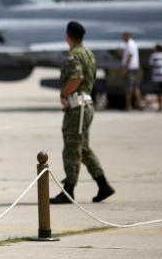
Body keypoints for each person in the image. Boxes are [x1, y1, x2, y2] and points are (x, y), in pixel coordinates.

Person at [50, 21, 115, 204]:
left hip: (77, 107)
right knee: (83, 148)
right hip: (85, 105)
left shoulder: (75, 55)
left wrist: (64, 93)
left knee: (72, 148)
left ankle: (69, 190)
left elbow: (76, 78)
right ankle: (103, 185)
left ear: (68, 36)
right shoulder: (88, 53)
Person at [121, 31, 142, 110]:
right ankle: (139, 104)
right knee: (135, 87)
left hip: (130, 68)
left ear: (128, 36)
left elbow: (130, 56)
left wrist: (125, 68)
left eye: (124, 36)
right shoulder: (131, 44)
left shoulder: (130, 44)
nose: (122, 38)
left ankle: (129, 105)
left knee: (129, 88)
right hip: (133, 68)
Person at [149, 44, 162, 111]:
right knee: (161, 92)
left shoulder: (153, 55)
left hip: (156, 75)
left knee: (158, 92)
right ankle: (161, 105)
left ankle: (160, 106)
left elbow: (151, 64)